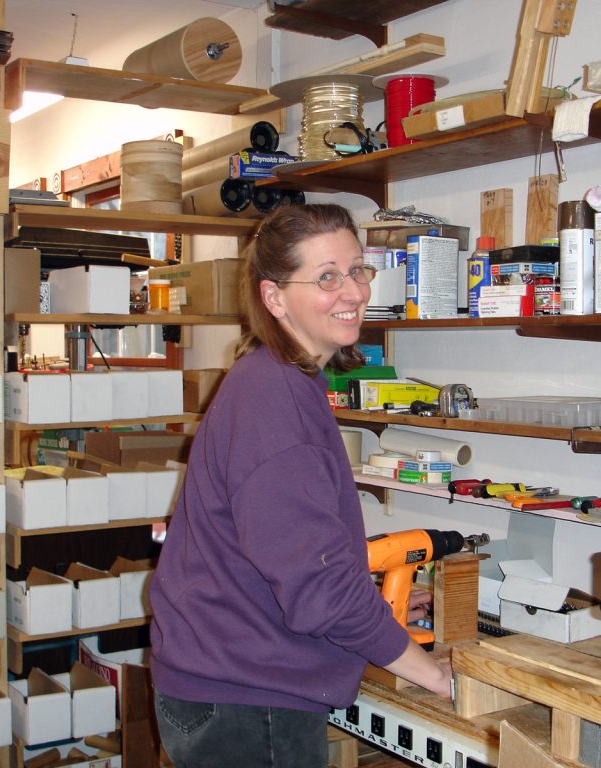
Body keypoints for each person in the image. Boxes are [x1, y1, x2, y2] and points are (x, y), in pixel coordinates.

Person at [149, 204, 451, 767]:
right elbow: (320, 592)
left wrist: (380, 616)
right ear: (275, 298)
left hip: (220, 675)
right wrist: (432, 674)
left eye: (358, 271)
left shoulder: (277, 379)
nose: (353, 292)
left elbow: (287, 552)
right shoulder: (275, 400)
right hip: (245, 697)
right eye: (327, 277)